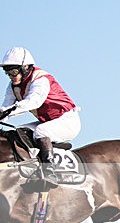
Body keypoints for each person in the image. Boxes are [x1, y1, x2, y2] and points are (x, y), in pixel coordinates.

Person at [0, 47, 81, 188]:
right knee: (19, 132)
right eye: (8, 73)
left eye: (14, 71)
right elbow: (6, 106)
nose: (11, 76)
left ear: (25, 68)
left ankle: (50, 172)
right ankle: (32, 169)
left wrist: (7, 112)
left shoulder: (40, 79)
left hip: (67, 121)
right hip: (49, 121)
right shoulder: (13, 86)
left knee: (41, 131)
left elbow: (34, 101)